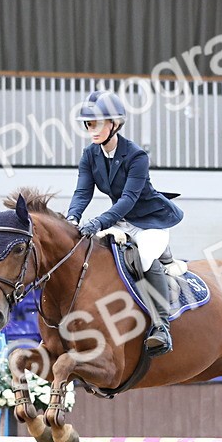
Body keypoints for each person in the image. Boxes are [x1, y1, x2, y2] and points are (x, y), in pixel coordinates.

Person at [66, 90, 182, 356]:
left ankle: (161, 327)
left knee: (143, 258)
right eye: (88, 124)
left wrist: (96, 222)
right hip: (123, 220)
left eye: (96, 123)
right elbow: (83, 192)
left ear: (114, 124)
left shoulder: (136, 156)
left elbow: (128, 199)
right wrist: (72, 218)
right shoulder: (90, 154)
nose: (91, 129)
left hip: (150, 221)